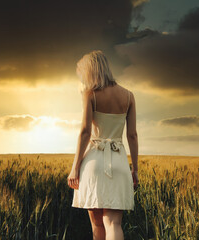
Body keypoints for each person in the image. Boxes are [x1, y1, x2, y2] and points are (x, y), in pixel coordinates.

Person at [67, 50, 139, 240]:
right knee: (113, 223)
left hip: (94, 163)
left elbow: (85, 132)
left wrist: (75, 167)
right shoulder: (129, 96)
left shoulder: (90, 94)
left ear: (91, 70)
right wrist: (135, 170)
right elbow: (132, 135)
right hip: (119, 162)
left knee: (97, 224)